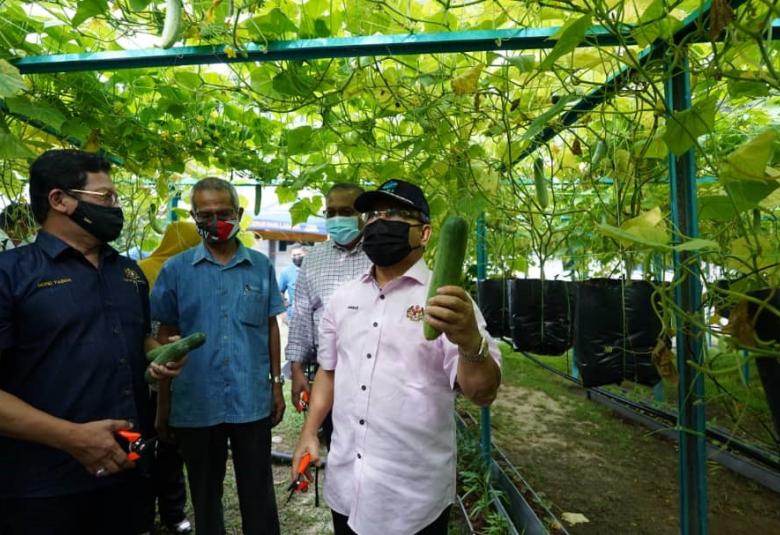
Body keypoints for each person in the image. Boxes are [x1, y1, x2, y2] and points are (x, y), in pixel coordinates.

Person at [291, 179, 502, 535]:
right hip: (346, 486)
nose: (377, 222)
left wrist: (469, 340)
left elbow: (482, 393)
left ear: (424, 233)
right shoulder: (342, 299)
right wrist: (309, 433)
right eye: (372, 215)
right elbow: (329, 374)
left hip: (413, 500)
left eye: (392, 214)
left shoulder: (450, 304)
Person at [0, 149, 185, 535]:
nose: (115, 207)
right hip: (42, 488)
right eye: (106, 198)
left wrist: (156, 355)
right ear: (60, 200)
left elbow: (136, 341)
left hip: (128, 475)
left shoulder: (129, 274)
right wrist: (72, 438)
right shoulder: (12, 276)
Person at [151, 177, 285, 535]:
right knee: (204, 495)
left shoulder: (260, 266)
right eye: (205, 214)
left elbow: (270, 327)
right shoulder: (176, 270)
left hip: (250, 401)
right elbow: (165, 339)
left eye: (223, 213)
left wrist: (276, 385)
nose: (214, 221)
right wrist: (164, 405)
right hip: (196, 403)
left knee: (258, 490)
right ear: (194, 216)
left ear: (238, 213)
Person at [285, 183, 371, 443]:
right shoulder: (314, 257)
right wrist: (297, 368)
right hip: (329, 373)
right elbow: (300, 316)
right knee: (337, 444)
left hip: (374, 369)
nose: (336, 219)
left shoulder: (381, 254)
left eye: (345, 211)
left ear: (363, 216)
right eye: (330, 212)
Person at [137, 221, 200, 535]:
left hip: (145, 371)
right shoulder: (180, 271)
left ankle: (145, 517)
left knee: (145, 449)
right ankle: (174, 514)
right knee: (169, 448)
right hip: (169, 368)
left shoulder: (138, 269)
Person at [278, 243, 306, 323]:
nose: (297, 257)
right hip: (293, 314)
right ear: (290, 256)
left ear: (305, 254)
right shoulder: (286, 272)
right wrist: (283, 309)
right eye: (294, 255)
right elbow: (279, 291)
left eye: (299, 254)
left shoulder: (313, 269)